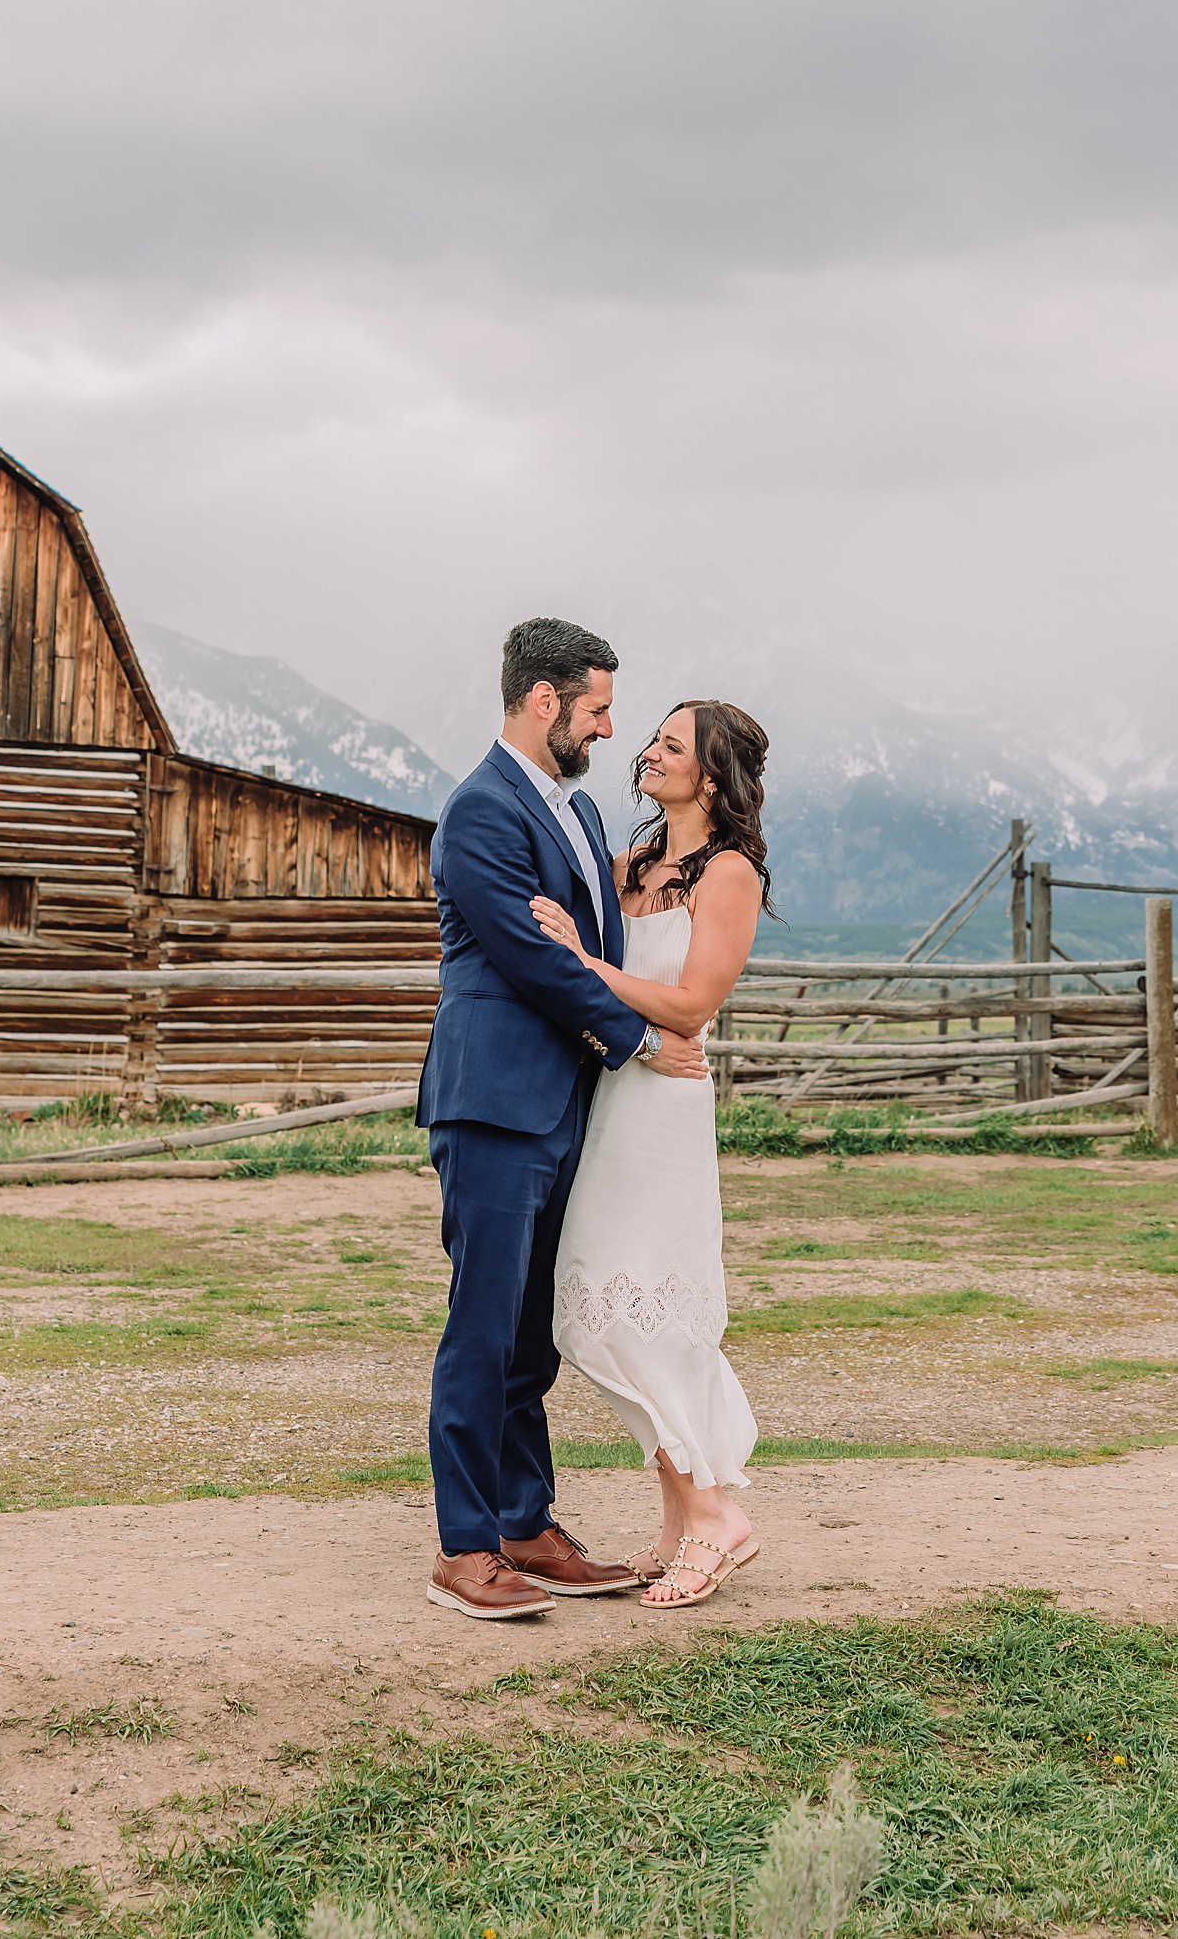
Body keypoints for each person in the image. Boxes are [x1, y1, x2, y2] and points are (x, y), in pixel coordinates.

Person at [419, 618, 711, 1621]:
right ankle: (464, 1548)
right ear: (544, 702)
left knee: (530, 1336)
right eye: (596, 709)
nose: (606, 728)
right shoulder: (481, 814)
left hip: (562, 1106)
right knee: (481, 1326)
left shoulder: (580, 818)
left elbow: (593, 947)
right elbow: (533, 959)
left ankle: (524, 1522)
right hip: (494, 1104)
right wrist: (640, 1043)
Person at [531, 700, 771, 1607]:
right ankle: (681, 1522)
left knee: (643, 1307)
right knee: (593, 1306)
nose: (651, 751)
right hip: (613, 1092)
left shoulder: (732, 873)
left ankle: (714, 1517)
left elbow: (691, 1006)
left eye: (673, 745)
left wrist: (584, 966)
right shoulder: (630, 863)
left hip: (665, 1108)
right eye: (655, 738)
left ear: (710, 776)